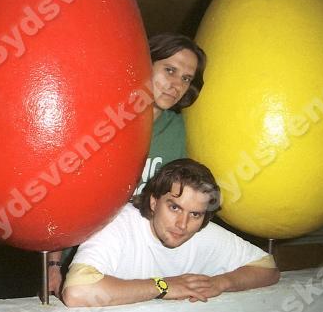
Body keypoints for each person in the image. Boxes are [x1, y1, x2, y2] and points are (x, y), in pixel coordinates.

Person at [47, 34, 207, 296]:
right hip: (84, 259)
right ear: (143, 64)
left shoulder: (177, 129)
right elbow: (65, 196)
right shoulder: (104, 121)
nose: (176, 85)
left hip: (140, 263)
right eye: (170, 70)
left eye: (186, 78)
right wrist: (53, 264)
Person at [62, 159, 279, 307]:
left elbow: (267, 268)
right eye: (174, 207)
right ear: (154, 202)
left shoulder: (201, 231)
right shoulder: (118, 224)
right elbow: (77, 292)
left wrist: (220, 283)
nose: (182, 224)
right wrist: (163, 286)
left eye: (195, 214)